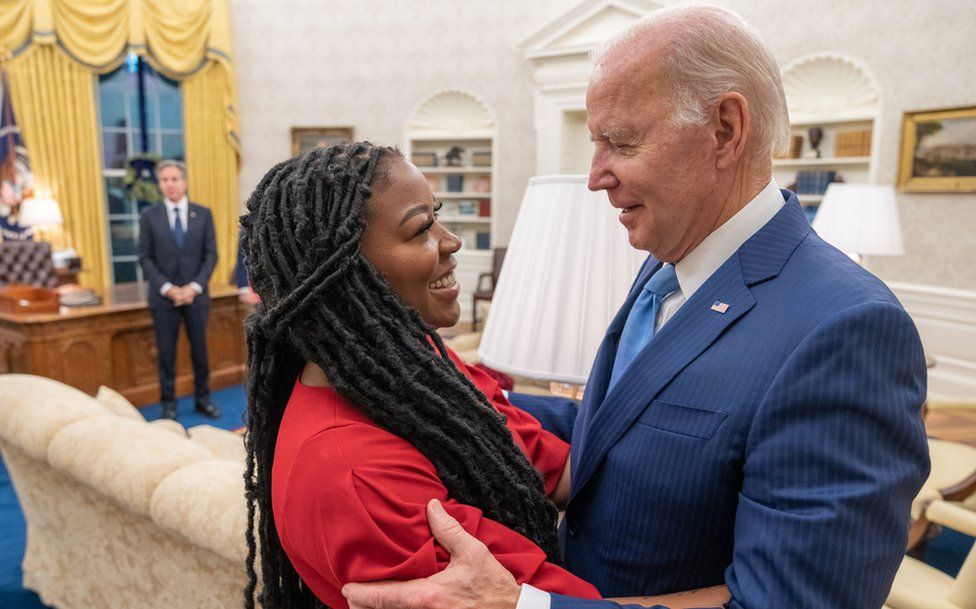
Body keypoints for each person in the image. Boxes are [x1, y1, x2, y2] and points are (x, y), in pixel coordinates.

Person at [343, 5, 929, 609]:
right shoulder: (669, 261)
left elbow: (793, 600)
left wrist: (526, 607)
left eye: (619, 142)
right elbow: (623, 425)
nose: (595, 177)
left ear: (725, 130)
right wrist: (446, 393)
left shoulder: (847, 328)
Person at [239, 142, 601, 609]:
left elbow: (556, 469)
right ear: (349, 276)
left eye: (438, 216)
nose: (452, 241)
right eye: (421, 229)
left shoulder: (420, 373)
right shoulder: (355, 474)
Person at [137, 159, 220, 420]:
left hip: (196, 297)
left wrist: (194, 288)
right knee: (166, 352)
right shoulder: (149, 217)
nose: (170, 184)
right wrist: (168, 288)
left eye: (175, 179)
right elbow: (145, 258)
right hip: (164, 299)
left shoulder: (203, 214)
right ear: (160, 184)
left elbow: (211, 256)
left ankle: (203, 399)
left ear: (184, 182)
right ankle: (168, 403)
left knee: (200, 351)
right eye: (165, 180)